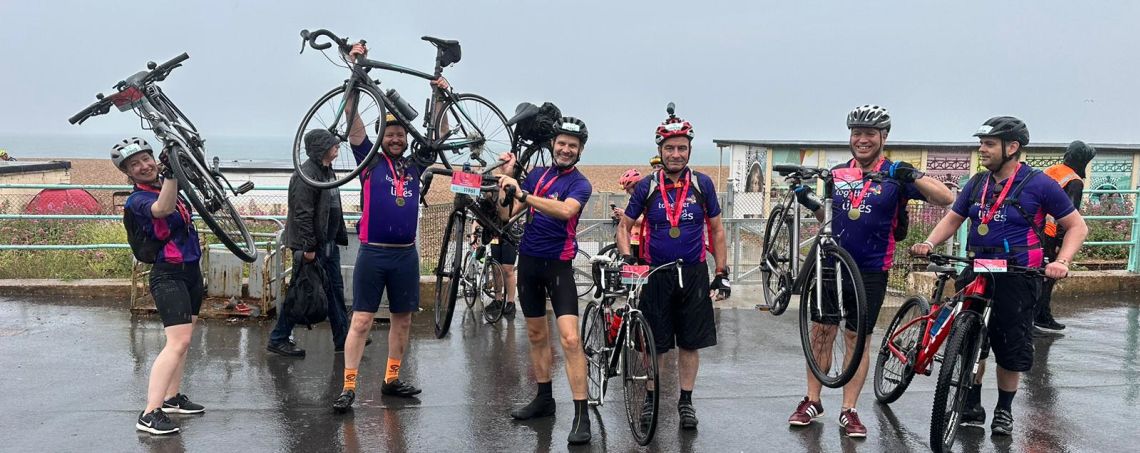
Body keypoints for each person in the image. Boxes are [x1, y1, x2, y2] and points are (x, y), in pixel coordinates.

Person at [911, 116, 1087, 437]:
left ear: (1012, 147)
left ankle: (1004, 410)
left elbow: (1077, 226)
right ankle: (971, 402)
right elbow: (954, 218)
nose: (982, 149)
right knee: (968, 339)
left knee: (1010, 345)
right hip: (978, 267)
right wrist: (928, 242)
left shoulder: (1039, 183)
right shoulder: (977, 182)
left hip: (1018, 274)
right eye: (982, 143)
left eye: (989, 144)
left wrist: (1062, 261)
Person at [786, 105, 954, 437]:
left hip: (872, 269)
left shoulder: (895, 173)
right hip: (832, 264)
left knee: (856, 337)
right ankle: (812, 400)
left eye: (869, 134)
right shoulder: (838, 173)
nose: (862, 140)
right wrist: (811, 202)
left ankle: (849, 409)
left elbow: (946, 197)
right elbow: (829, 217)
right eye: (856, 133)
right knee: (821, 332)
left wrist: (913, 175)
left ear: (883, 137)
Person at [332, 42, 447, 412]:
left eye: (400, 135)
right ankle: (349, 385)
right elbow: (353, 123)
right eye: (390, 134)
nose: (396, 139)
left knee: (403, 320)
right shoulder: (369, 161)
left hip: (405, 256)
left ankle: (392, 379)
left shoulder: (415, 165)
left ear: (406, 138)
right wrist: (354, 73)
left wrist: (440, 99)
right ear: (381, 137)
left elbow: (440, 137)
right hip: (373, 254)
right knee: (362, 320)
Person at [616, 109, 731, 431]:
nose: (676, 154)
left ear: (690, 150)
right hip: (656, 274)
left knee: (690, 343)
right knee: (655, 343)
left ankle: (686, 401)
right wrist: (627, 258)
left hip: (693, 273)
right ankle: (651, 398)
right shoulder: (646, 187)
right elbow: (624, 227)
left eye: (682, 148)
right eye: (670, 148)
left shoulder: (703, 184)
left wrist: (721, 273)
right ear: (660, 151)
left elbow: (717, 230)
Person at [495, 117, 594, 445]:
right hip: (529, 263)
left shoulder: (580, 184)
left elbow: (565, 211)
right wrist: (506, 183)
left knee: (570, 340)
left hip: (559, 267)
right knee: (537, 335)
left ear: (580, 150)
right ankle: (544, 399)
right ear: (553, 144)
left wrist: (524, 193)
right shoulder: (537, 175)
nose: (566, 149)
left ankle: (581, 415)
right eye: (561, 143)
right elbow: (506, 214)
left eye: (572, 145)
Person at [116, 137, 206, 435]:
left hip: (191, 271)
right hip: (168, 274)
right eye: (135, 164)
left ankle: (171, 398)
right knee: (176, 342)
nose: (144, 166)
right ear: (128, 173)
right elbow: (163, 209)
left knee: (184, 341)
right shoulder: (138, 200)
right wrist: (170, 173)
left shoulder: (166, 186)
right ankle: (149, 413)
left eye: (146, 158)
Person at [267, 129, 350, 357]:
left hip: (328, 243)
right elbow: (302, 213)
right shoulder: (305, 175)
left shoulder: (326, 171)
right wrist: (309, 247)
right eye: (332, 144)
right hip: (313, 246)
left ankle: (344, 338)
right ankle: (279, 338)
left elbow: (332, 207)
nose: (337, 146)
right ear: (321, 148)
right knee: (302, 291)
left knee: (334, 291)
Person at [1036, 140, 1096, 333]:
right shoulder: (1074, 181)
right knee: (1048, 277)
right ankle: (1039, 317)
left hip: (1033, 229)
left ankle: (1039, 315)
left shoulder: (1052, 170)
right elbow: (1069, 216)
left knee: (1035, 275)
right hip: (1050, 234)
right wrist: (1061, 245)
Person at [613, 168, 646, 261]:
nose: (627, 192)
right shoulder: (634, 200)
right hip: (636, 240)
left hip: (645, 240)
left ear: (636, 186)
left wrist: (624, 214)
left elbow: (644, 221)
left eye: (628, 189)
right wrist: (622, 216)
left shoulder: (647, 200)